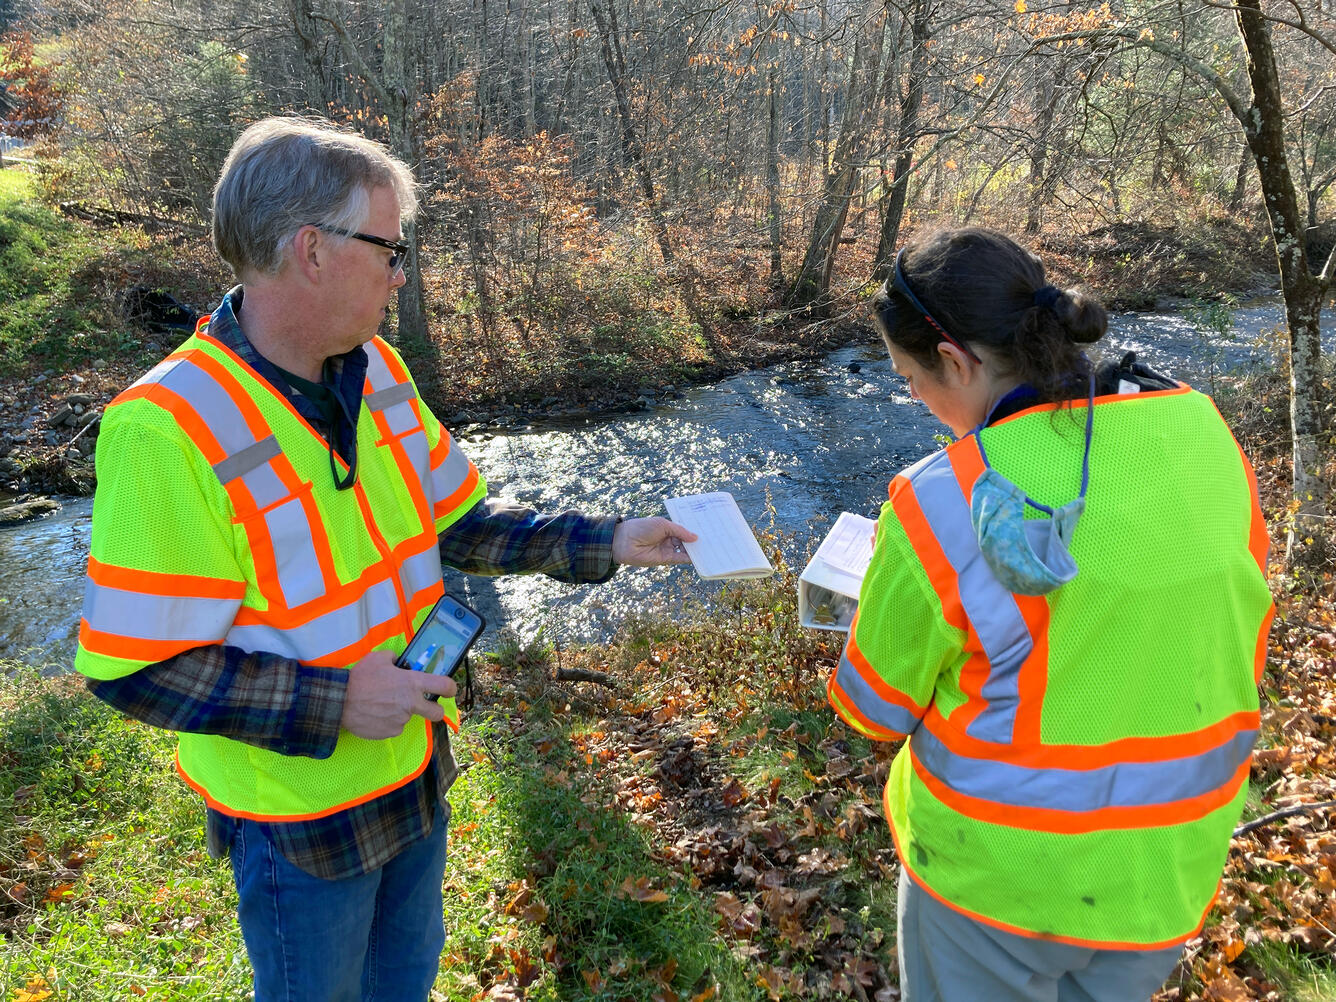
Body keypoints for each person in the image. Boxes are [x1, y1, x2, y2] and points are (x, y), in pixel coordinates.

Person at [74, 116, 696, 1002]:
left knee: (404, 985)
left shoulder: (379, 369)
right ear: (312, 250)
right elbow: (134, 670)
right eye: (390, 250)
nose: (401, 274)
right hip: (301, 822)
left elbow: (459, 524)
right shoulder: (168, 426)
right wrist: (337, 701)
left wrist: (609, 539)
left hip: (416, 766)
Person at [825, 227, 1274, 1001]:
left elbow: (871, 710)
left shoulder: (940, 498)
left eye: (909, 378)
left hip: (994, 887)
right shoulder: (1205, 433)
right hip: (1163, 874)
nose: (914, 399)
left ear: (957, 363)